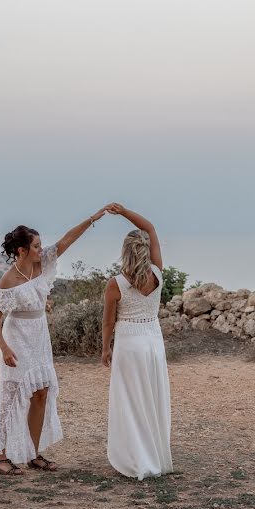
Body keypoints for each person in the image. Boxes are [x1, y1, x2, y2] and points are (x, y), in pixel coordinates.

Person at [0, 207, 109, 475]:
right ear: (21, 250)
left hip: (39, 335)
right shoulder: (8, 282)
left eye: (41, 245)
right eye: (36, 246)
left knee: (41, 392)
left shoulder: (43, 266)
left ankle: (33, 453)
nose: (41, 250)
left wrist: (92, 219)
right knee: (11, 395)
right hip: (17, 337)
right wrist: (5, 348)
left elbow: (66, 240)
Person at [102, 203, 173, 480]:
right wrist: (124, 212)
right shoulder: (157, 274)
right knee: (152, 399)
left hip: (129, 345)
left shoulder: (116, 283)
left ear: (125, 252)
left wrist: (105, 348)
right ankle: (153, 455)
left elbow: (108, 322)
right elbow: (151, 228)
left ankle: (136, 459)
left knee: (131, 402)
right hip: (154, 343)